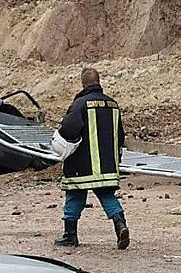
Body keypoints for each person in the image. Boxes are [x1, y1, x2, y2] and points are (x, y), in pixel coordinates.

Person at [50, 68, 130, 250]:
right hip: (107, 165)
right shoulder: (113, 104)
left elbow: (69, 130)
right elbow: (121, 135)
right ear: (98, 81)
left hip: (82, 163)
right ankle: (120, 226)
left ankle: (70, 235)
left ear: (83, 83)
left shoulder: (79, 104)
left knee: (75, 195)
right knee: (107, 195)